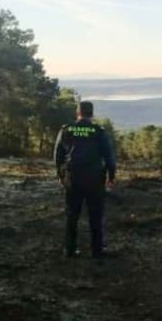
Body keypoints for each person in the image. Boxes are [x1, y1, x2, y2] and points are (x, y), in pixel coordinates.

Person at [53, 101, 116, 259]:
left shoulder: (66, 129)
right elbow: (108, 156)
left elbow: (58, 154)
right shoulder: (98, 131)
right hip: (94, 178)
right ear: (91, 113)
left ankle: (69, 250)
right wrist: (111, 176)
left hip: (73, 176)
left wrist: (60, 175)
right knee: (95, 215)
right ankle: (97, 251)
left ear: (78, 112)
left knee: (72, 214)